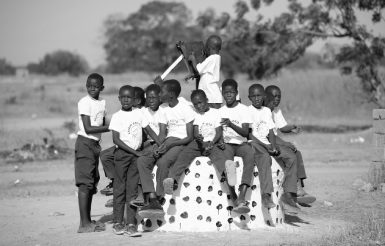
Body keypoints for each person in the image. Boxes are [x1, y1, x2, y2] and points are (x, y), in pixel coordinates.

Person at [137, 79, 195, 218]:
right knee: (142, 161)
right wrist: (159, 146)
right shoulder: (164, 110)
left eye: (162, 91)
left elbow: (189, 137)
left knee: (163, 163)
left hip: (180, 143)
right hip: (167, 141)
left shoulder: (185, 108)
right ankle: (151, 197)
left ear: (171, 95)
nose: (159, 94)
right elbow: (162, 134)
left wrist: (170, 144)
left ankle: (159, 197)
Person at [108, 85, 158, 236]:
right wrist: (134, 152)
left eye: (129, 97)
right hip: (122, 155)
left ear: (134, 99)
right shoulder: (117, 116)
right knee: (119, 189)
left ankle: (131, 223)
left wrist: (161, 143)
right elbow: (116, 139)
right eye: (123, 97)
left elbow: (148, 130)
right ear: (119, 99)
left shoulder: (138, 113)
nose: (126, 100)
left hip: (135, 156)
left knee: (132, 190)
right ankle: (118, 222)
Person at [248, 84, 300, 213]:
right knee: (266, 158)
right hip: (255, 144)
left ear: (264, 97)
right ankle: (266, 196)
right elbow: (248, 134)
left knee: (292, 156)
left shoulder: (266, 112)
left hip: (268, 144)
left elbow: (271, 131)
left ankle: (288, 194)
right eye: (254, 96)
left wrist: (273, 146)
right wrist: (268, 145)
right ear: (249, 98)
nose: (257, 99)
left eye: (259, 96)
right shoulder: (247, 111)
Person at [163, 89, 225, 194]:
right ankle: (173, 180)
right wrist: (198, 138)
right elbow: (196, 131)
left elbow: (219, 131)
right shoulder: (195, 113)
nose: (198, 106)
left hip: (212, 142)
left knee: (218, 156)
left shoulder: (216, 112)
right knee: (184, 155)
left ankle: (225, 174)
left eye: (200, 102)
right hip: (198, 143)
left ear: (207, 100)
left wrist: (213, 142)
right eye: (195, 104)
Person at [265, 85, 316, 204]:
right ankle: (295, 191)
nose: (277, 98)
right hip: (267, 143)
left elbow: (282, 127)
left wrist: (291, 128)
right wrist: (284, 143)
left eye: (279, 96)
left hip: (275, 140)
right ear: (267, 96)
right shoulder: (263, 111)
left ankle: (299, 188)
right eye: (274, 96)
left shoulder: (276, 110)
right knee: (290, 154)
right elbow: (268, 134)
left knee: (297, 153)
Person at [211, 79, 255, 214]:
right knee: (225, 162)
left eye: (231, 92)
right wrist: (220, 141)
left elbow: (246, 133)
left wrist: (231, 124)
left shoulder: (244, 109)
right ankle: (233, 195)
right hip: (227, 144)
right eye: (225, 92)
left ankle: (242, 194)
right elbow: (217, 132)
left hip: (241, 143)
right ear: (222, 94)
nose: (228, 95)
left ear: (236, 93)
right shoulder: (219, 111)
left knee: (250, 154)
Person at [75, 73, 109, 233]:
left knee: (92, 181)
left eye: (95, 86)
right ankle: (84, 224)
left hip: (95, 144)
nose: (92, 88)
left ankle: (88, 221)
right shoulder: (84, 102)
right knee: (85, 183)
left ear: (102, 88)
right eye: (89, 86)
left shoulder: (102, 102)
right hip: (84, 143)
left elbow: (101, 122)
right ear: (86, 86)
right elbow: (88, 128)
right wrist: (112, 127)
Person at [178, 35, 223, 109]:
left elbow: (199, 69)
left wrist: (193, 59)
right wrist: (192, 74)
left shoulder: (211, 58)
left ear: (208, 48)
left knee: (213, 112)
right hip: (210, 91)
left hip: (210, 92)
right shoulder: (216, 58)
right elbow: (203, 71)